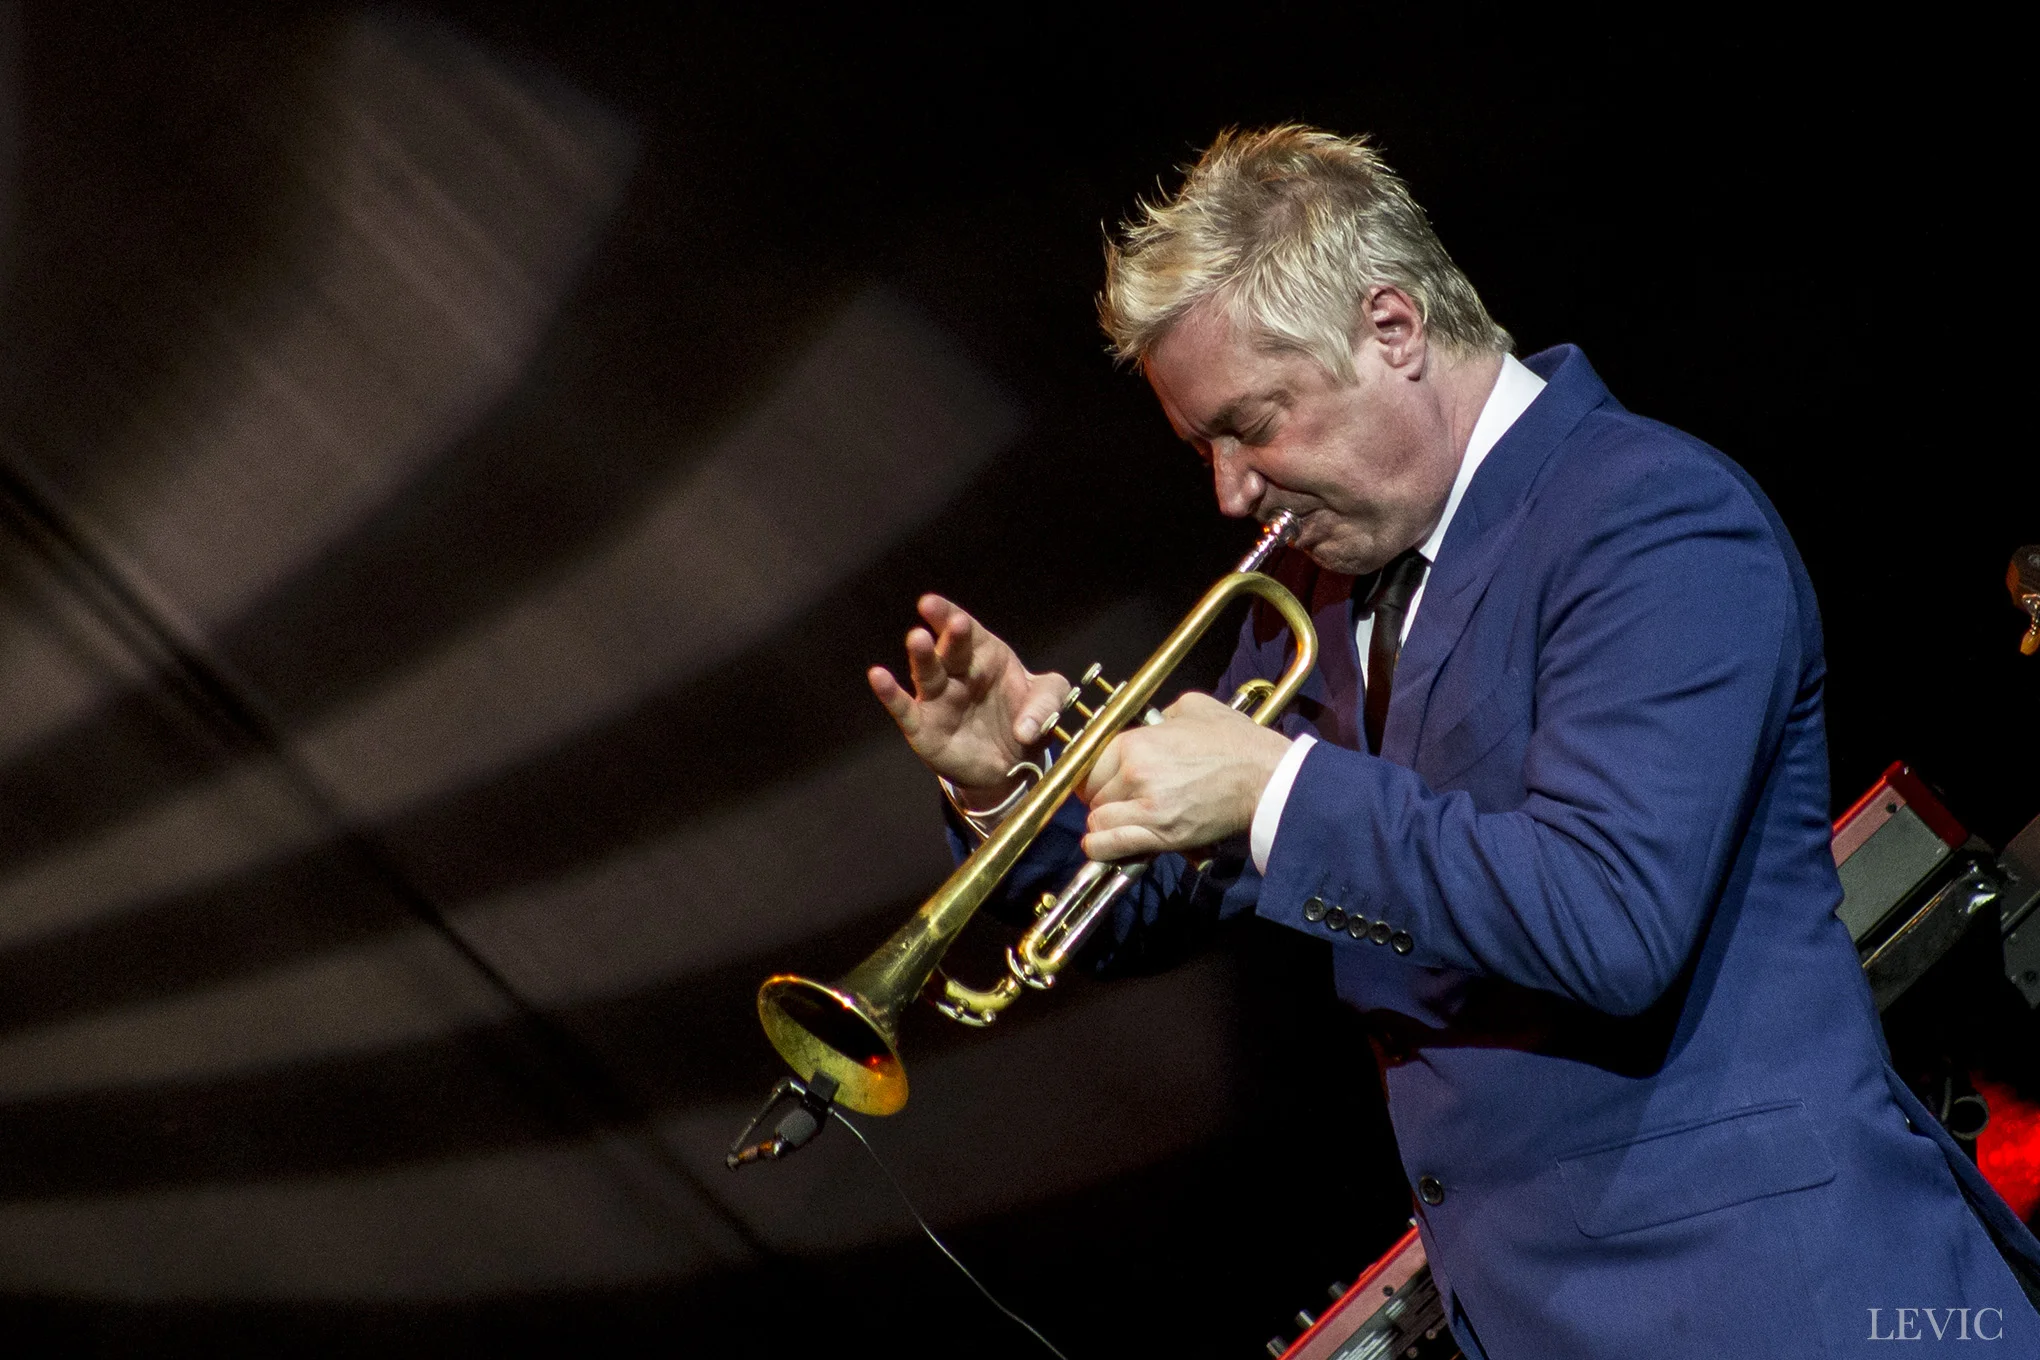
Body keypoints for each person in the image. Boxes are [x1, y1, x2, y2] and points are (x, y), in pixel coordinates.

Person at [866, 126, 2040, 1357]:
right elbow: (1151, 904)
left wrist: (1275, 790)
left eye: (1251, 424)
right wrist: (1008, 784)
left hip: (1783, 1301)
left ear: (1393, 328)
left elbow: (1610, 921)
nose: (1229, 490)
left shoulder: (1653, 515)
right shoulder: (1317, 593)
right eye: (1201, 448)